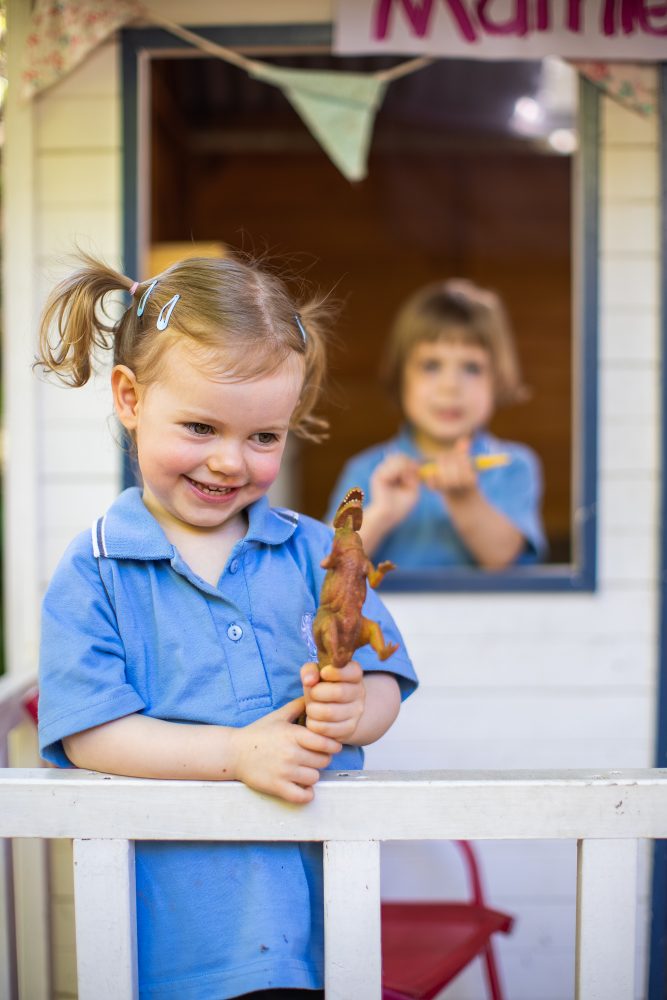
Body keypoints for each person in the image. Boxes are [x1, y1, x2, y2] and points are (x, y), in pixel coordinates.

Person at [36, 252, 417, 1000]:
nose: (227, 462)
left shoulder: (316, 552)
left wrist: (357, 709)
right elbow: (90, 733)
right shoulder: (96, 572)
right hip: (177, 936)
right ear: (129, 397)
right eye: (200, 426)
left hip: (316, 922)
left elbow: (383, 682)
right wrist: (236, 753)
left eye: (263, 438)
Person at [326, 279, 546, 571]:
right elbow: (329, 563)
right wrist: (382, 513)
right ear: (400, 377)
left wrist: (465, 499)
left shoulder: (512, 465)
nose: (450, 387)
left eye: (471, 367)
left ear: (498, 380)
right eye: (431, 366)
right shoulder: (367, 471)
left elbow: (504, 558)